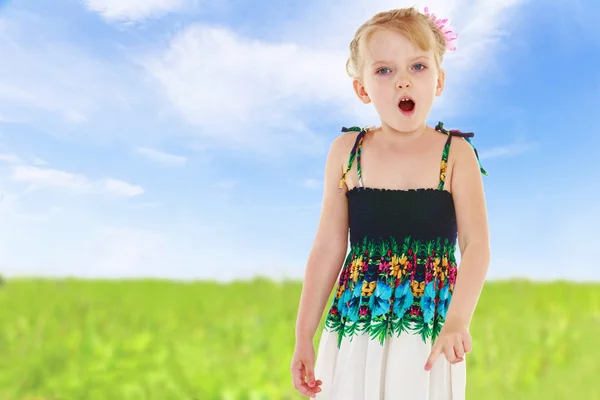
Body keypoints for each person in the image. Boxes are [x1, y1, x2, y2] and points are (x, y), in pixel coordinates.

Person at [290, 6, 491, 400]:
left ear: (438, 80)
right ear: (362, 88)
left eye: (417, 67)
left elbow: (476, 246)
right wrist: (303, 336)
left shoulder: (456, 154)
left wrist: (457, 322)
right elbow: (329, 247)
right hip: (357, 320)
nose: (403, 82)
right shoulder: (348, 152)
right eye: (384, 70)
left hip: (428, 327)